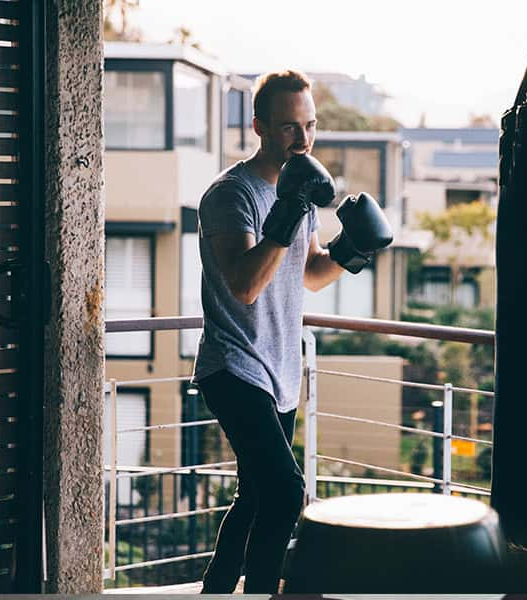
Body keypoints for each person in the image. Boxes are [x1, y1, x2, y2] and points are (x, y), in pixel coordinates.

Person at [191, 69, 393, 594]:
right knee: (284, 492)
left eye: (309, 126)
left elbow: (308, 272)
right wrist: (288, 210)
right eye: (287, 128)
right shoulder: (231, 195)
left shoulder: (296, 194)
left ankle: (214, 591)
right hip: (233, 366)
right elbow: (244, 284)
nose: (302, 140)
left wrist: (353, 250)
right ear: (258, 126)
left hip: (280, 367)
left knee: (256, 495)